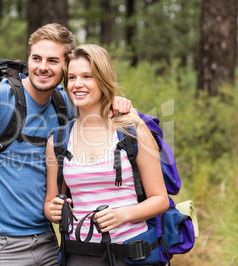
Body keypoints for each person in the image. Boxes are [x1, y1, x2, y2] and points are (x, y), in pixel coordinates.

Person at [0, 24, 131, 266]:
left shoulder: (64, 102)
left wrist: (114, 100)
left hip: (47, 241)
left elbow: (94, 99)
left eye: (53, 60)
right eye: (37, 58)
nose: (43, 67)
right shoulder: (1, 95)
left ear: (66, 66)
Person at [44, 44, 169, 266]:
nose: (77, 84)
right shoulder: (58, 139)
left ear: (102, 80)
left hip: (131, 253)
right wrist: (53, 210)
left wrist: (122, 215)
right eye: (71, 77)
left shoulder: (133, 131)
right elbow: (51, 202)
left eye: (87, 76)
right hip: (79, 254)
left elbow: (160, 200)